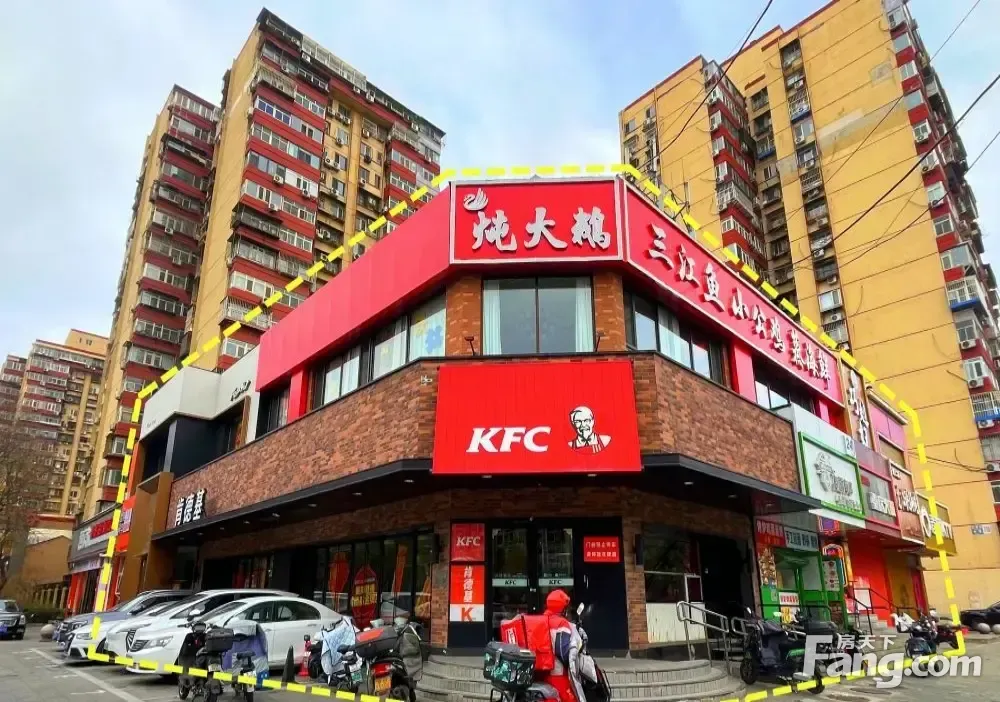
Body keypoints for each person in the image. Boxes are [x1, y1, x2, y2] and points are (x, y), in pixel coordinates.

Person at [538, 590, 587, 702]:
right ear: (562, 607)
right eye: (566, 607)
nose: (567, 610)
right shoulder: (561, 623)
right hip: (558, 673)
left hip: (540, 672)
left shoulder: (540, 620)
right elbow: (562, 650)